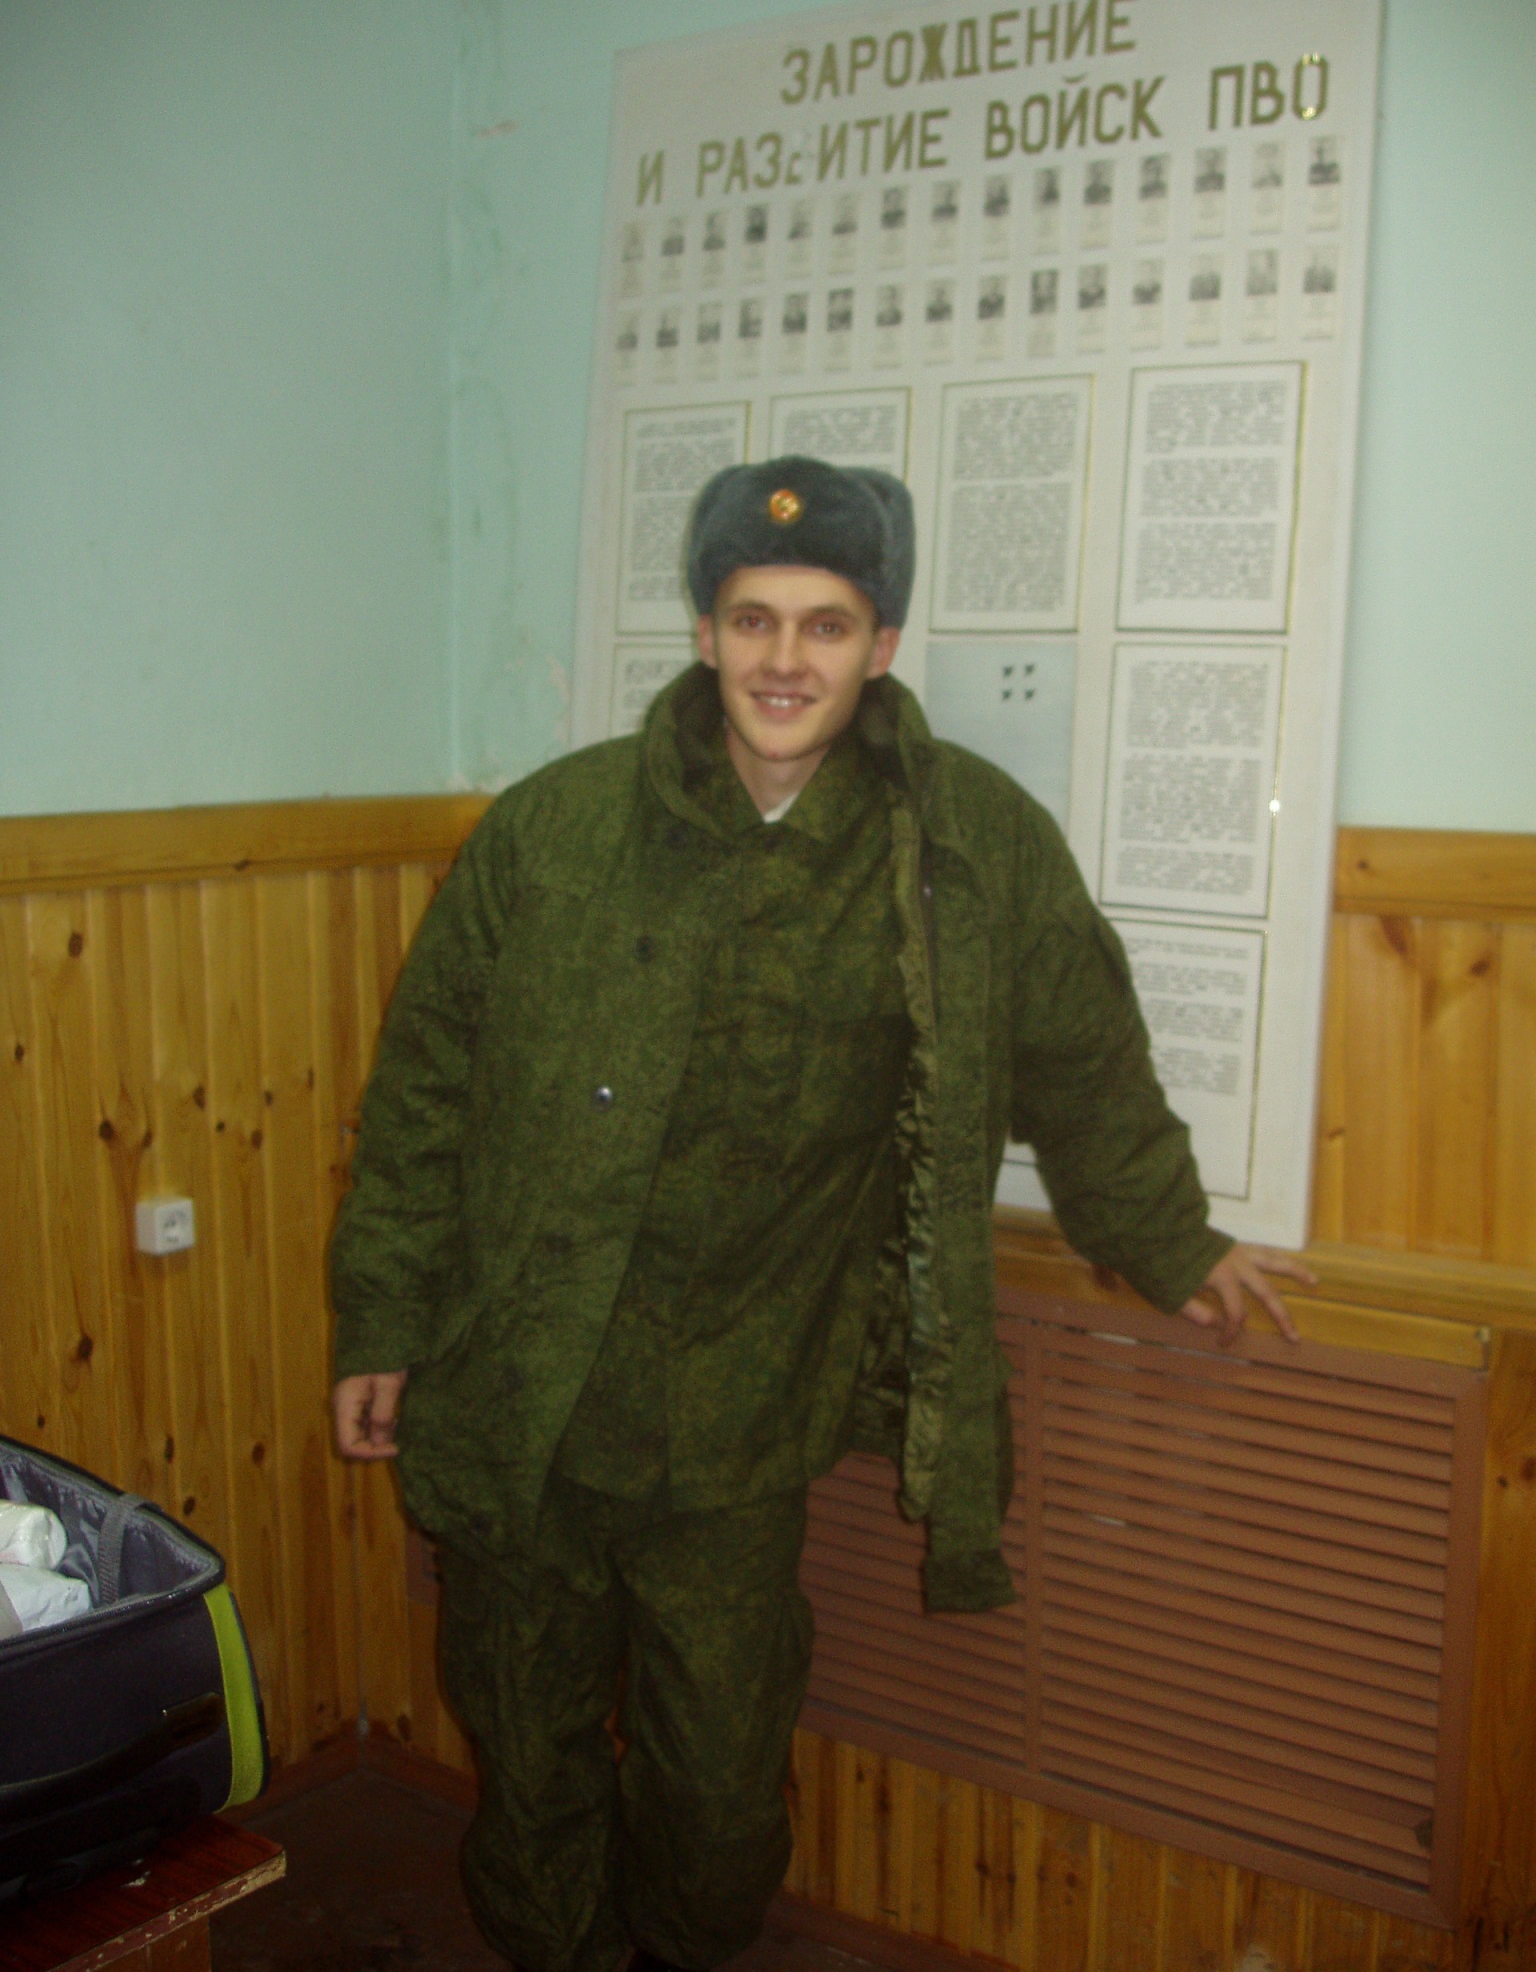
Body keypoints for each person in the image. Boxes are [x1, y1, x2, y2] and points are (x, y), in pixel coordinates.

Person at [330, 454, 1313, 1972]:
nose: (785, 659)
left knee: (721, 1783)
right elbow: (423, 1091)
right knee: (527, 1749)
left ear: (882, 645)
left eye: (827, 624)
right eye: (753, 618)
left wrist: (1169, 1235)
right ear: (705, 632)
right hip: (524, 1390)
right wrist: (383, 1322)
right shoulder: (556, 830)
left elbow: (1082, 1052)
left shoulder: (967, 844)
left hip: (740, 1413)